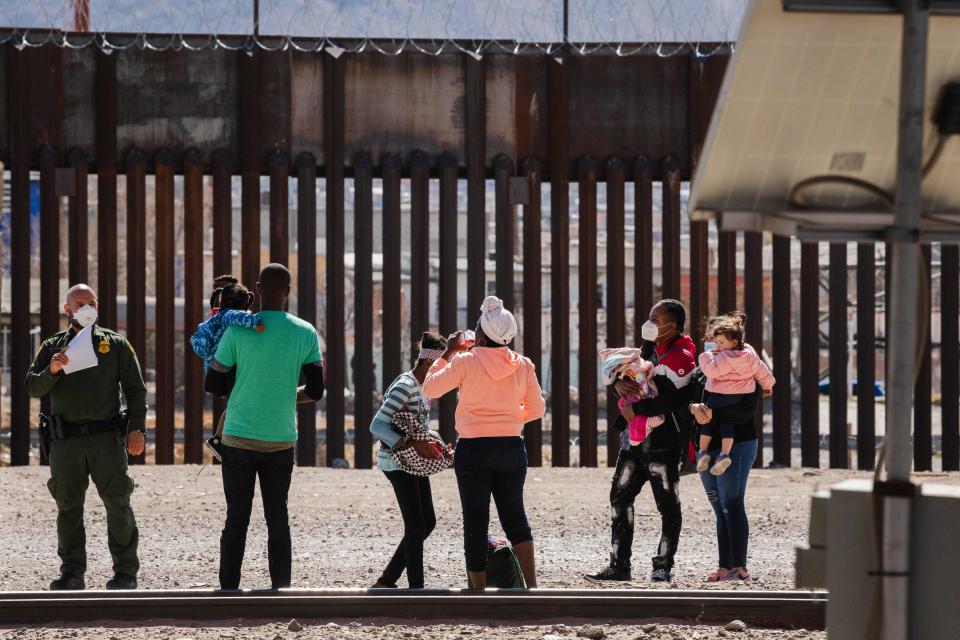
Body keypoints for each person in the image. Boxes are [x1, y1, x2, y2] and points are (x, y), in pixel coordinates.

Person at [204, 263, 324, 590]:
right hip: (280, 440)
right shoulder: (305, 332)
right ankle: (280, 590)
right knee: (277, 517)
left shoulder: (237, 330)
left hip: (238, 438)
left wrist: (247, 387)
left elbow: (213, 384)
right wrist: (285, 394)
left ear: (257, 288)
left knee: (237, 517)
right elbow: (315, 391)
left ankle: (229, 588)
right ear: (288, 291)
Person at [25, 284, 147, 591]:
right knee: (68, 506)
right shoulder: (53, 346)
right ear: (67, 310)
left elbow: (136, 390)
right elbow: (32, 387)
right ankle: (72, 572)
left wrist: (137, 429)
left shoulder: (115, 344)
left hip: (106, 438)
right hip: (66, 441)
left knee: (118, 502)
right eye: (79, 303)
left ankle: (125, 572)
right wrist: (52, 370)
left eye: (91, 302)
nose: (86, 308)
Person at [422, 296, 545, 589]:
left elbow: (430, 387)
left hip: (474, 448)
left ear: (479, 334)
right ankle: (532, 587)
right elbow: (538, 409)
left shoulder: (466, 361)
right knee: (515, 516)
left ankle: (478, 591)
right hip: (511, 447)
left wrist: (448, 352)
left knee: (475, 521)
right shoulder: (524, 365)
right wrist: (511, 419)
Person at [587, 299, 695, 584]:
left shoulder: (682, 357)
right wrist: (617, 385)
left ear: (673, 326)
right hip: (633, 443)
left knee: (668, 507)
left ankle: (662, 567)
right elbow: (626, 381)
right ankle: (619, 566)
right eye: (649, 316)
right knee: (620, 499)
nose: (649, 323)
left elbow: (672, 399)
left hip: (664, 444)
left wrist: (637, 409)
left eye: (655, 319)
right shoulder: (648, 349)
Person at [369, 332, 448, 589]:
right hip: (396, 461)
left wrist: (435, 447)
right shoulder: (406, 385)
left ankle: (387, 579)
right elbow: (377, 425)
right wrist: (415, 444)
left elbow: (418, 426)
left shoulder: (424, 386)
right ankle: (416, 589)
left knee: (428, 522)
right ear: (428, 363)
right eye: (441, 366)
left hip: (412, 461)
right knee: (416, 525)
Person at [687, 370, 762, 583]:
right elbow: (683, 402)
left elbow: (746, 411)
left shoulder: (746, 371)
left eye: (722, 339)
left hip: (737, 445)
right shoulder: (700, 374)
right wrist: (693, 408)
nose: (717, 345)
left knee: (732, 502)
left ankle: (739, 568)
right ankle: (724, 567)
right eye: (714, 339)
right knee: (719, 507)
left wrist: (711, 413)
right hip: (705, 449)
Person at [190, 279, 264, 461]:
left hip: (214, 367)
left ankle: (218, 439)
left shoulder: (217, 317)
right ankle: (224, 438)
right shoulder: (229, 315)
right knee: (238, 401)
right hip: (226, 367)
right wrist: (257, 323)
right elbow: (239, 317)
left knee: (233, 404)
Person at [696, 313, 775, 476]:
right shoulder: (750, 354)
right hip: (738, 396)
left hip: (719, 395)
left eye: (719, 341)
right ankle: (724, 454)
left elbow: (710, 371)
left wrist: (705, 356)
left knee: (709, 422)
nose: (716, 345)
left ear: (732, 342)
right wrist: (768, 385)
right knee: (727, 424)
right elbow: (761, 369)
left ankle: (702, 452)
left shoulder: (722, 357)